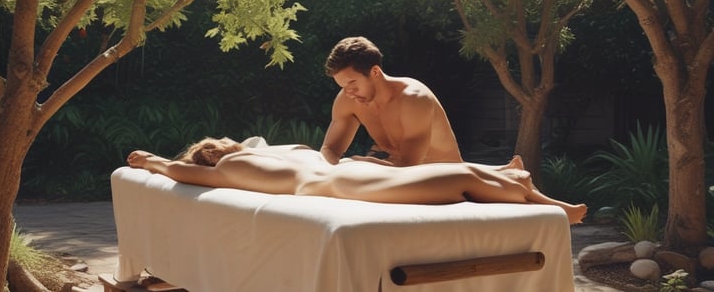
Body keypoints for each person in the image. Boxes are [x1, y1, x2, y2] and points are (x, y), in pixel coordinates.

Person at [126, 137, 587, 224]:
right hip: (338, 188)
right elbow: (177, 170)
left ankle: (523, 186)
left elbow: (256, 137)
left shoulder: (261, 151)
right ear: (212, 155)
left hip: (347, 173)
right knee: (461, 176)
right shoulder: (224, 170)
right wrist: (151, 160)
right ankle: (550, 206)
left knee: (451, 172)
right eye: (218, 141)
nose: (228, 138)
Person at [320, 36, 464, 166]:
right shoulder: (348, 100)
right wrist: (332, 169)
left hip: (441, 175)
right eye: (343, 86)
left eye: (352, 83)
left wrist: (362, 163)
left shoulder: (414, 99)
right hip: (394, 174)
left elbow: (409, 165)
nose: (349, 93)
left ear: (375, 72)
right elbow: (329, 150)